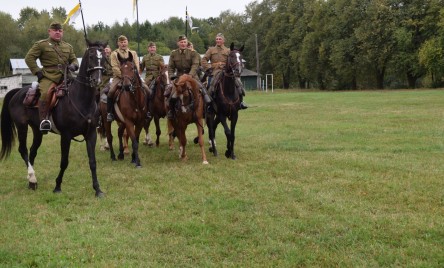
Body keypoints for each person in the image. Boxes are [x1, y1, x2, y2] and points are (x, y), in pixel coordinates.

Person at [25, 21, 79, 133]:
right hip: (49, 76)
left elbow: (74, 59)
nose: (57, 33)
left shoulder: (68, 46)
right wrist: (37, 72)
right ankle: (43, 121)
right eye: (55, 30)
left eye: (60, 31)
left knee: (82, 89)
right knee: (45, 93)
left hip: (67, 75)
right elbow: (29, 58)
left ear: (62, 32)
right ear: (49, 31)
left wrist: (74, 65)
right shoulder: (41, 44)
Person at [165, 35, 211, 119]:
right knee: (170, 94)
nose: (183, 44)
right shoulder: (173, 54)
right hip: (179, 77)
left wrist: (189, 75)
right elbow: (170, 67)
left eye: (184, 42)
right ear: (178, 43)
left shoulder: (193, 53)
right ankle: (171, 111)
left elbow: (195, 65)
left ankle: (206, 110)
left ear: (187, 43)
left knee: (203, 90)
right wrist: (172, 77)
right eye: (181, 42)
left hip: (192, 76)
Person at [201, 33, 248, 109]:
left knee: (239, 84)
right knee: (210, 86)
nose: (218, 40)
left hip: (226, 71)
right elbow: (203, 60)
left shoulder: (228, 50)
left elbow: (233, 60)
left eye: (220, 39)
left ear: (223, 41)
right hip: (214, 72)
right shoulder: (211, 50)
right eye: (217, 39)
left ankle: (241, 102)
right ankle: (209, 105)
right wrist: (208, 68)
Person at [106, 35, 143, 122]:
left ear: (127, 42)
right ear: (118, 43)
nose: (123, 44)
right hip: (119, 77)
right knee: (111, 92)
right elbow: (114, 67)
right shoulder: (114, 54)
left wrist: (132, 76)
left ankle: (147, 111)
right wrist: (123, 76)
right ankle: (109, 113)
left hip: (133, 77)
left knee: (147, 89)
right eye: (121, 42)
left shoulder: (133, 53)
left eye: (124, 42)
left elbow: (137, 65)